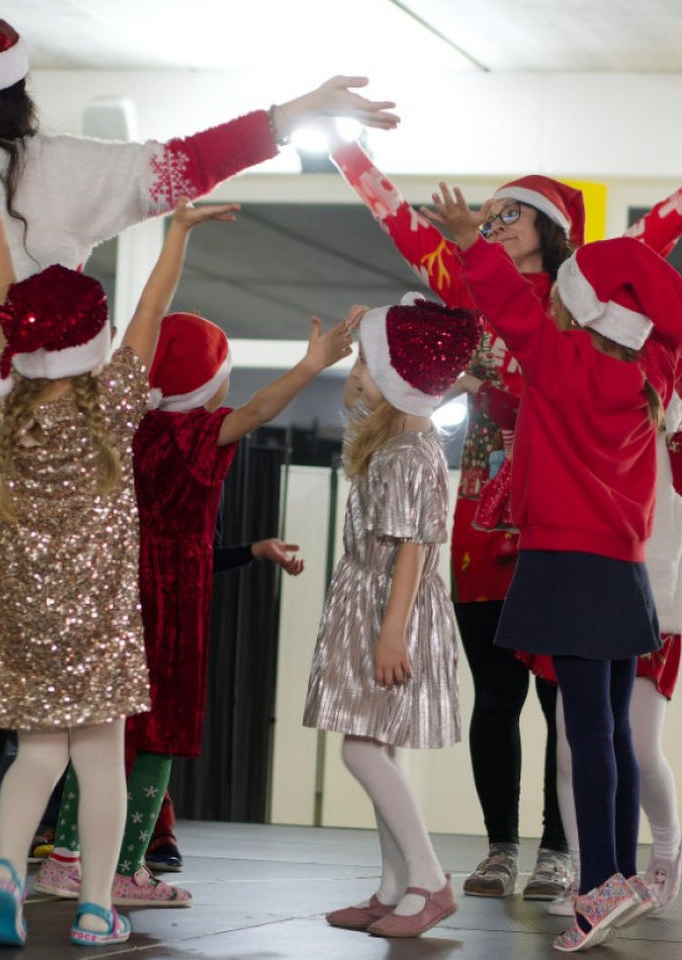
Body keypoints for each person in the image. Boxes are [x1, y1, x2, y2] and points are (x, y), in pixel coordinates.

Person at [0, 4, 398, 911]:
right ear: (15, 88)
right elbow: (188, 162)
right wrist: (295, 111)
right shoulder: (55, 166)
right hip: (10, 400)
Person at [328, 115, 682, 900]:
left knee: (575, 705)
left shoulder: (577, 301)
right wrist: (342, 147)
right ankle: (499, 846)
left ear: (554, 227)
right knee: (494, 692)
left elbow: (669, 221)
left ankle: (567, 851)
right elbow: (398, 221)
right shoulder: (469, 279)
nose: (490, 224)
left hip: (575, 513)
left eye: (508, 213)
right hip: (491, 511)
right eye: (486, 217)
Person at [0, 189, 220, 945]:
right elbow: (152, 313)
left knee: (35, 751)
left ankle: (4, 872)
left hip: (23, 611)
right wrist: (177, 234)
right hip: (97, 616)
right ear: (93, 339)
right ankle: (97, 908)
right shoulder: (115, 398)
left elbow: (4, 309)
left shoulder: (11, 401)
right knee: (99, 760)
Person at [438, 182, 682, 949]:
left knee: (589, 735)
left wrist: (470, 241)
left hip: (568, 564)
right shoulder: (648, 378)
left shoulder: (563, 365)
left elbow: (512, 311)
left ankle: (597, 887)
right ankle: (615, 876)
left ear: (584, 309)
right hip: (622, 575)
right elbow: (670, 316)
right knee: (613, 736)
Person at [36, 295, 352, 906]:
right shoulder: (194, 434)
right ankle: (127, 867)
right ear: (205, 380)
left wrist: (250, 548)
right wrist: (312, 364)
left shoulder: (129, 431)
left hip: (117, 586)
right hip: (171, 594)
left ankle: (66, 859)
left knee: (105, 731)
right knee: (160, 733)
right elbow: (260, 408)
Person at [303, 295, 481, 938]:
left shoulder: (410, 452)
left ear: (397, 380)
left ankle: (430, 881)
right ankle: (394, 884)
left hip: (388, 604)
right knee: (372, 742)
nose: (353, 371)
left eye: (364, 364)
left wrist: (391, 629)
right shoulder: (400, 440)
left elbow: (414, 547)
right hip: (372, 599)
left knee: (359, 748)